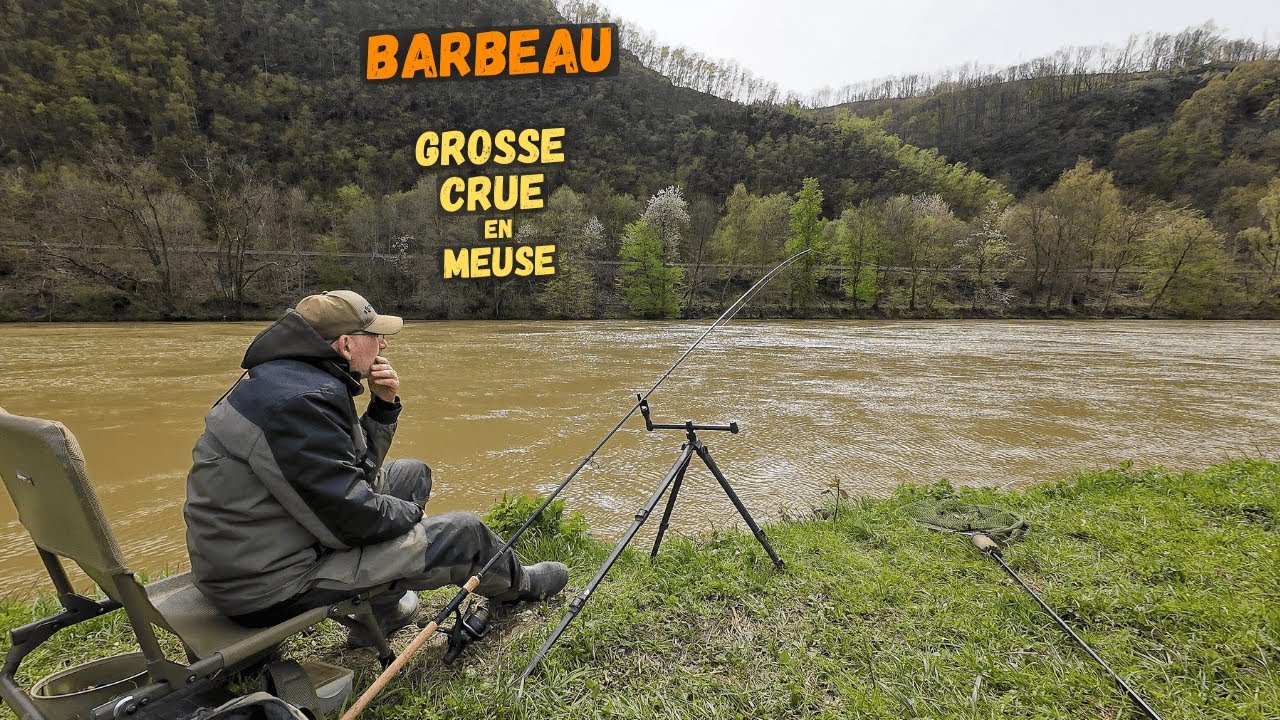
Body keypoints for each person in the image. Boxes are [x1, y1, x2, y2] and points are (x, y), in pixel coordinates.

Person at [184, 290, 567, 644]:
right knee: (464, 533)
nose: (383, 344)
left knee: (412, 473)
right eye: (375, 335)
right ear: (346, 344)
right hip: (269, 585)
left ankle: (382, 614)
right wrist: (413, 516)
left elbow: (349, 471)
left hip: (262, 549)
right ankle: (521, 585)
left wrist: (382, 407)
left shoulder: (291, 379)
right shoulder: (300, 402)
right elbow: (350, 522)